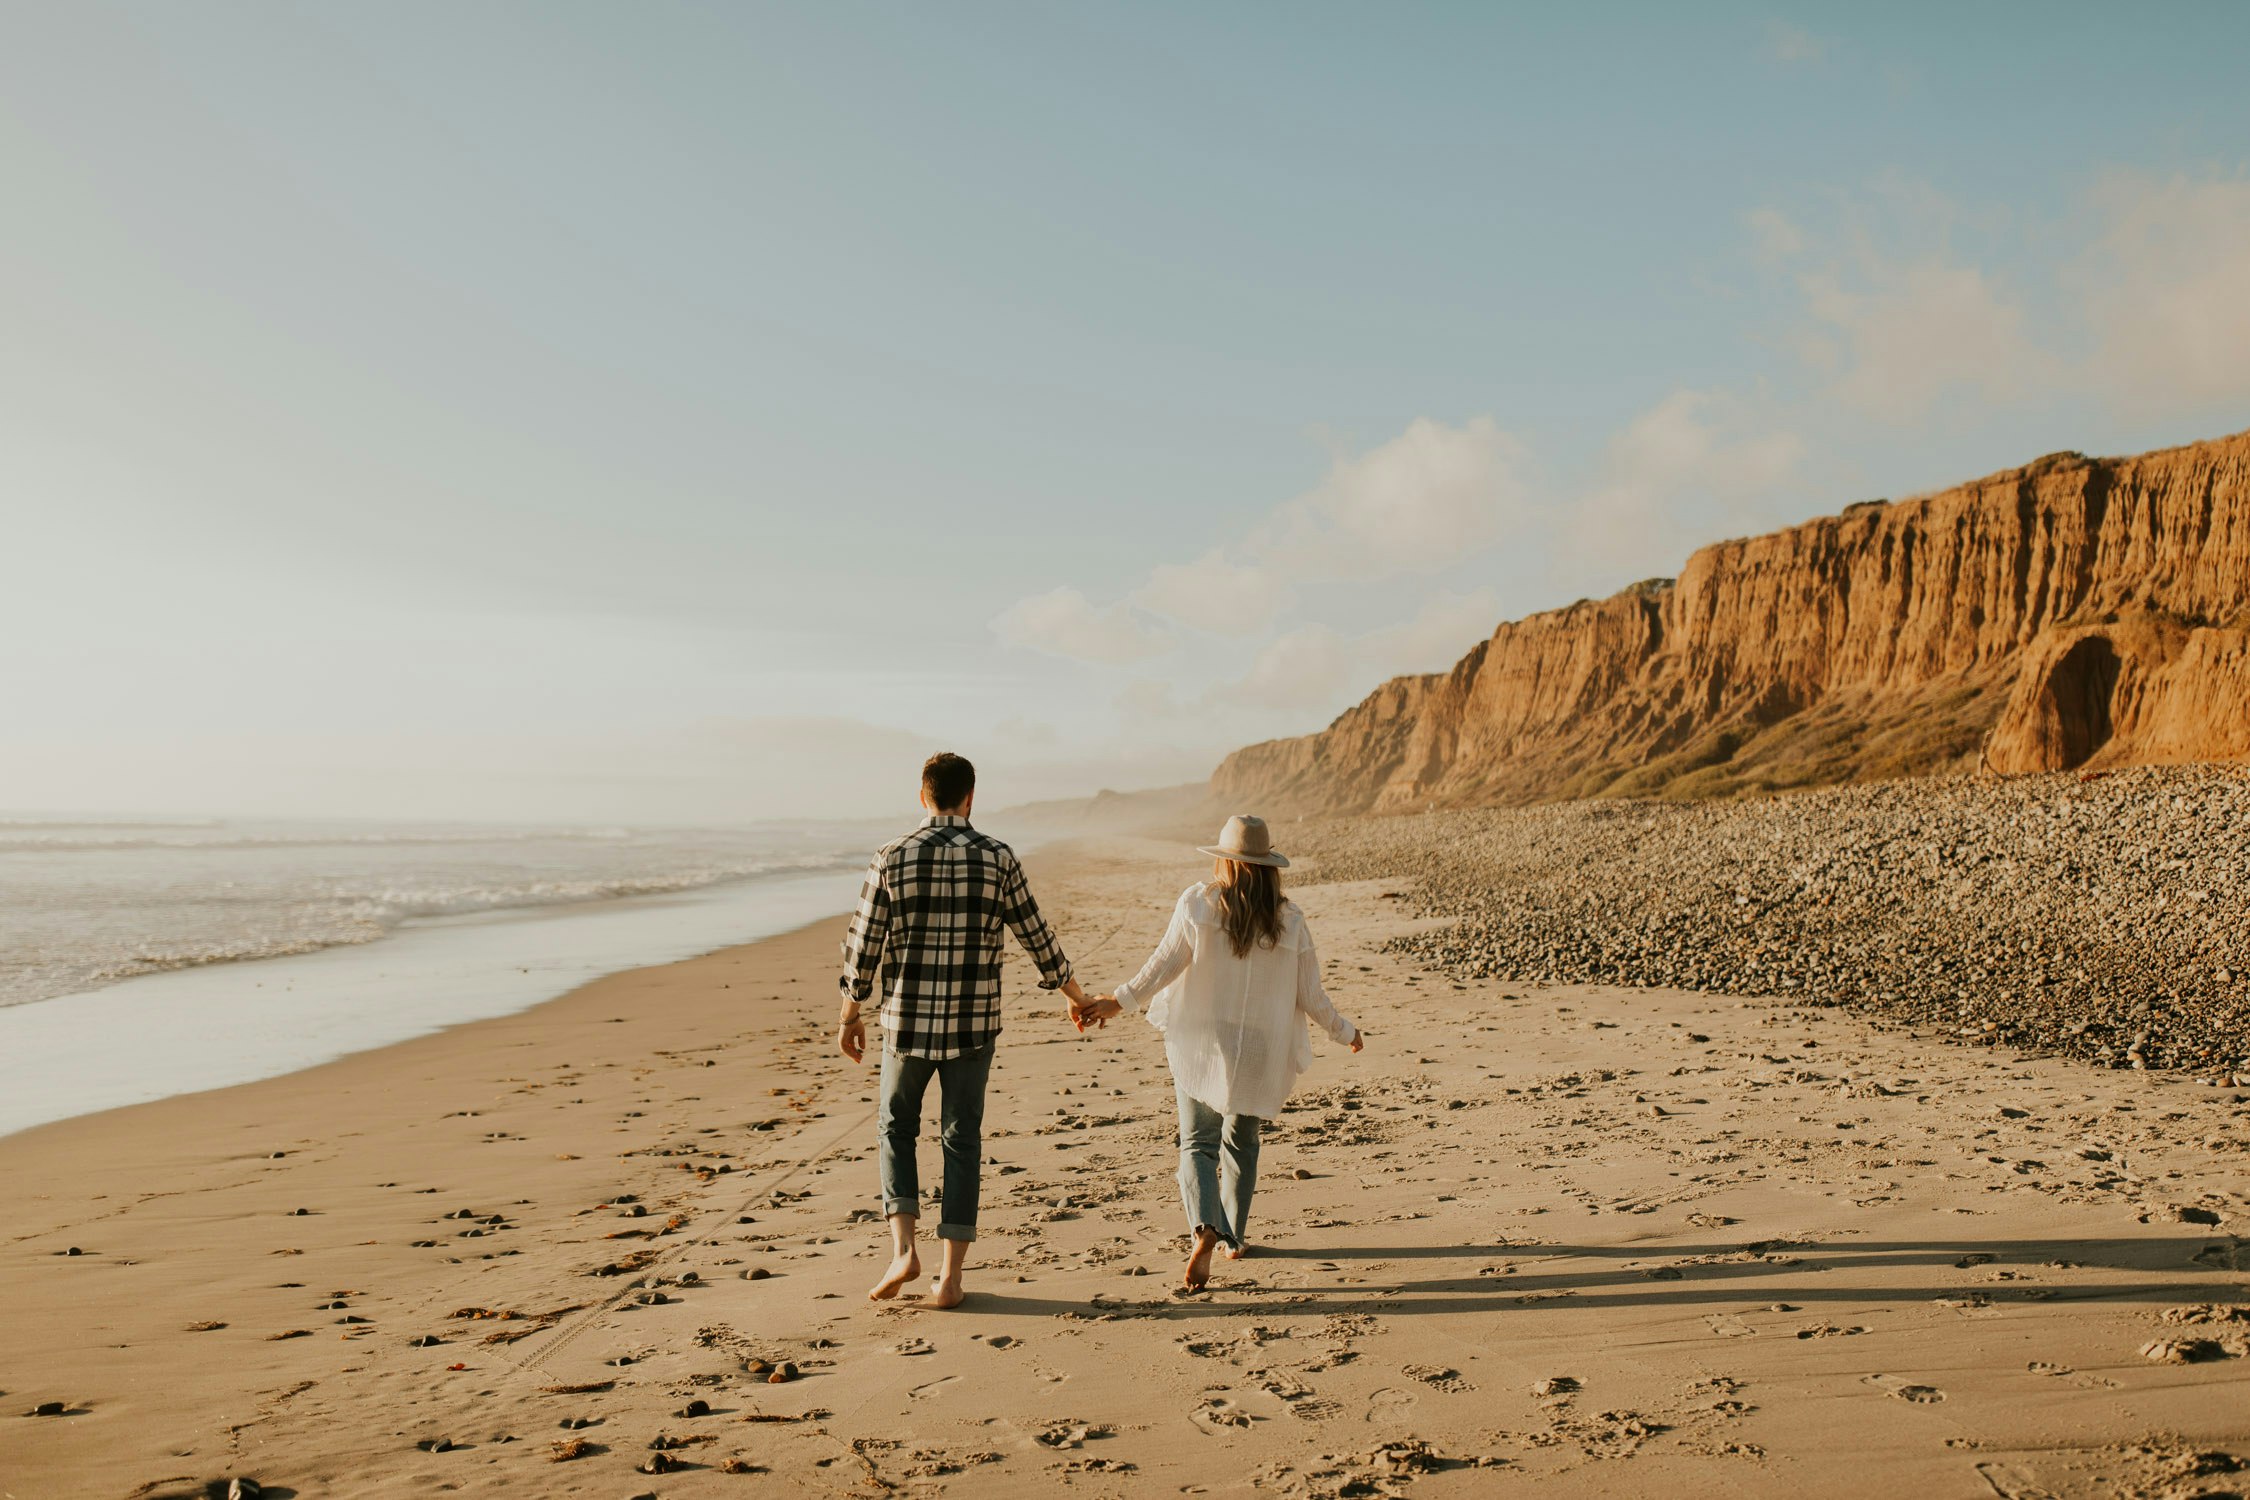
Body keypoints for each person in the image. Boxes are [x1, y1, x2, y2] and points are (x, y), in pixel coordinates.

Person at [838, 751, 1091, 1309]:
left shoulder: (891, 856)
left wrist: (850, 1012)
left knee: (896, 1128)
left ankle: (904, 1250)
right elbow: (1038, 938)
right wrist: (1078, 997)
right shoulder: (998, 858)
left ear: (922, 796)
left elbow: (864, 946)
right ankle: (950, 1279)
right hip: (974, 1025)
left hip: (906, 1022)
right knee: (961, 1139)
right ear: (970, 798)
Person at [1076, 814, 1363, 1290]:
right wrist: (1345, 1031)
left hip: (1205, 1040)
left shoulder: (1199, 905)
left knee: (1198, 1144)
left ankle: (1203, 1229)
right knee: (1241, 1143)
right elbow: (1311, 997)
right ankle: (1232, 1238)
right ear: (1269, 867)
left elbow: (1161, 968)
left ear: (1226, 863)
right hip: (1260, 1047)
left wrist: (1114, 1002)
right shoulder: (1289, 920)